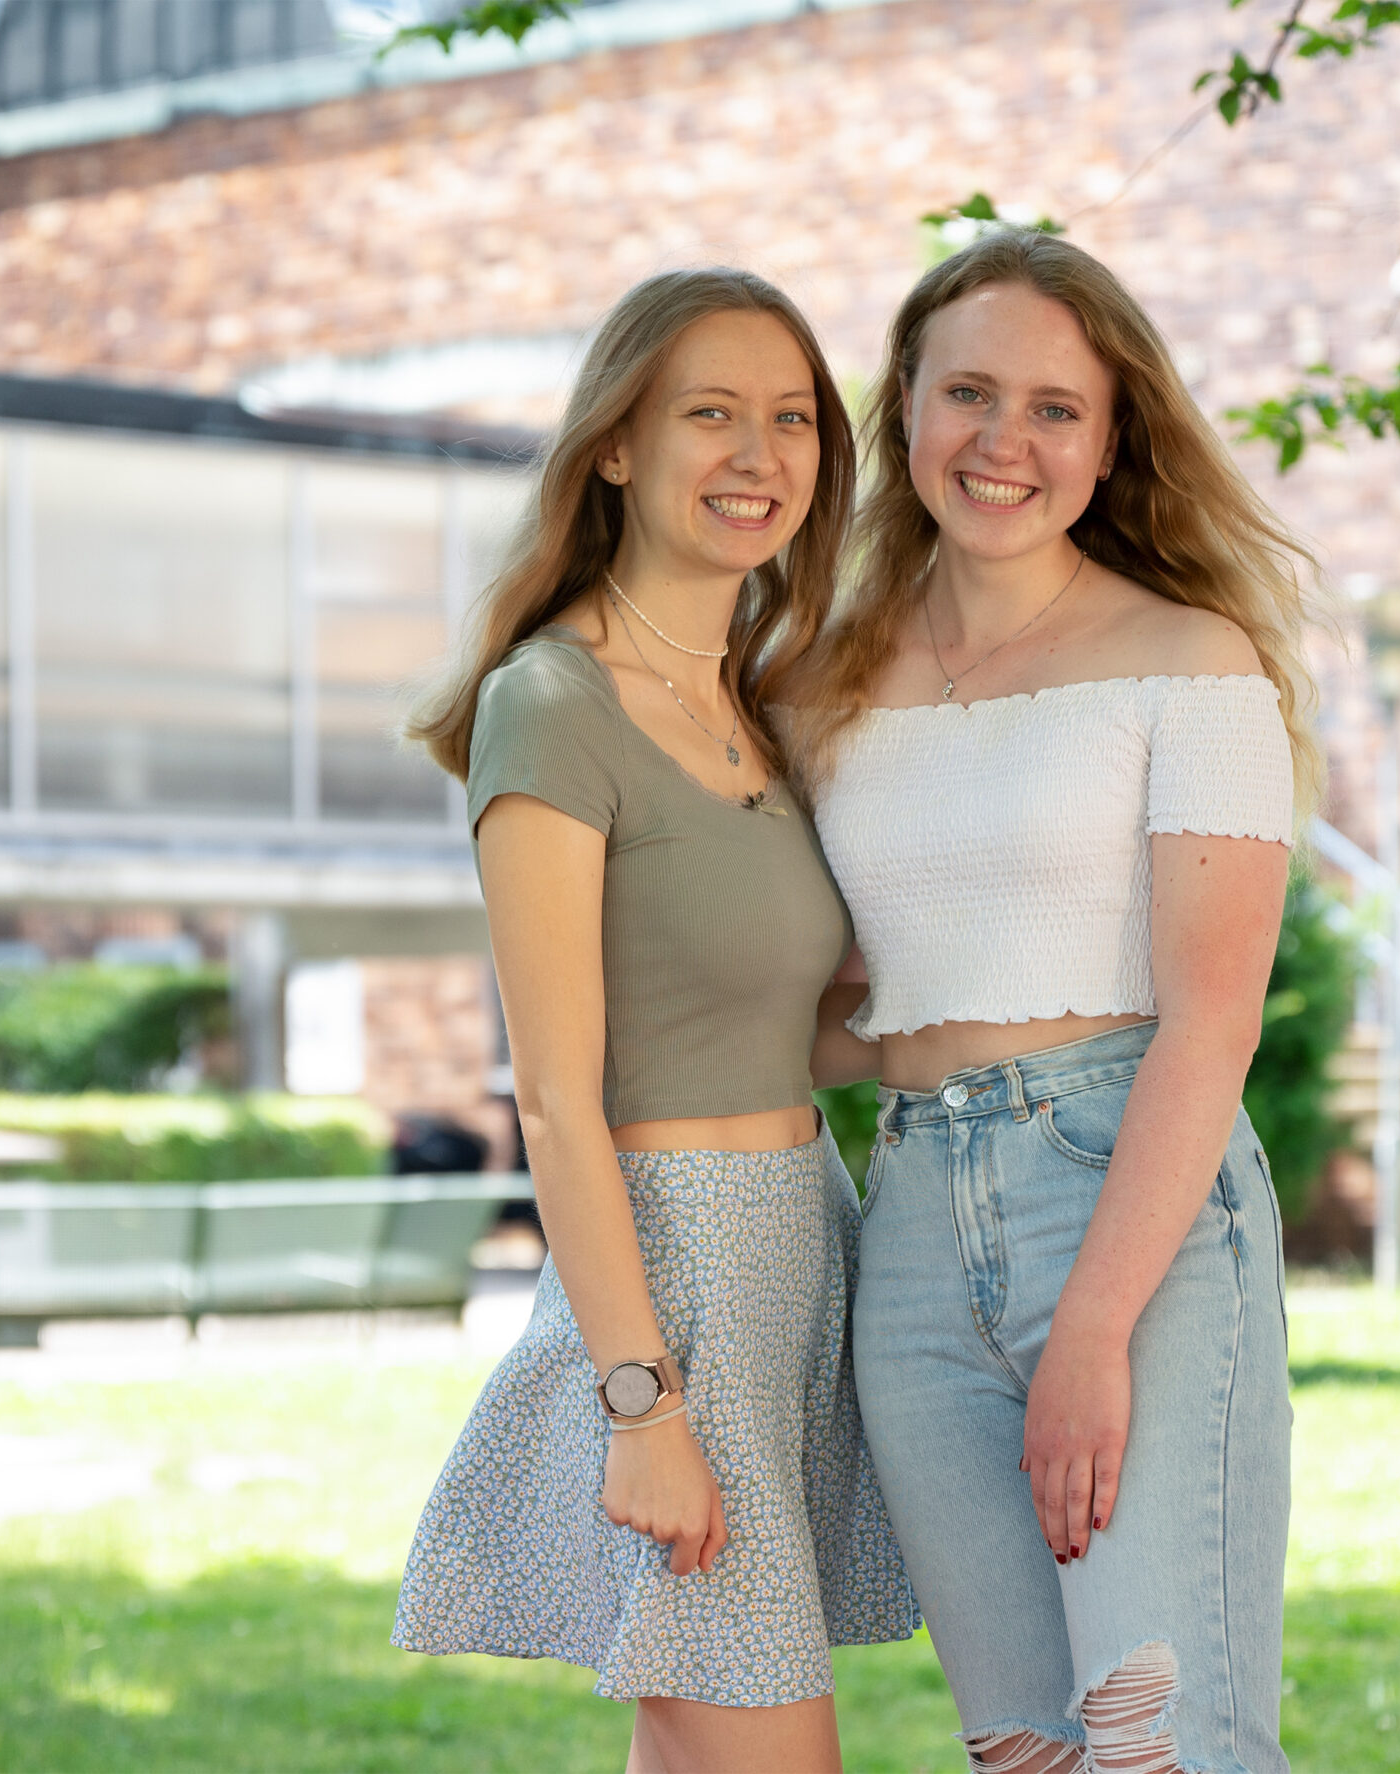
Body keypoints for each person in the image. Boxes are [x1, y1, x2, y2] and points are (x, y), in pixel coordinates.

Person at [796, 231, 1320, 1774]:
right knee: (1028, 1751)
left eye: (1054, 408)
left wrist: (1095, 1323)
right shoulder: (826, 679)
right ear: (902, 408)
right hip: (907, 1226)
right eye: (969, 392)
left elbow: (1211, 1022)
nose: (1004, 443)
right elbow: (841, 1004)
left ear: (1110, 440)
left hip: (1126, 1206)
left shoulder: (1191, 664)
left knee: (1163, 1746)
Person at [391, 267, 916, 1774]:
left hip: (796, 1257)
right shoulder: (553, 703)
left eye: (792, 419)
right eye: (711, 414)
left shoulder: (763, 701)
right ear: (615, 445)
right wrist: (640, 1402)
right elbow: (556, 1096)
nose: (759, 455)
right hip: (671, 1280)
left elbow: (774, 1024)